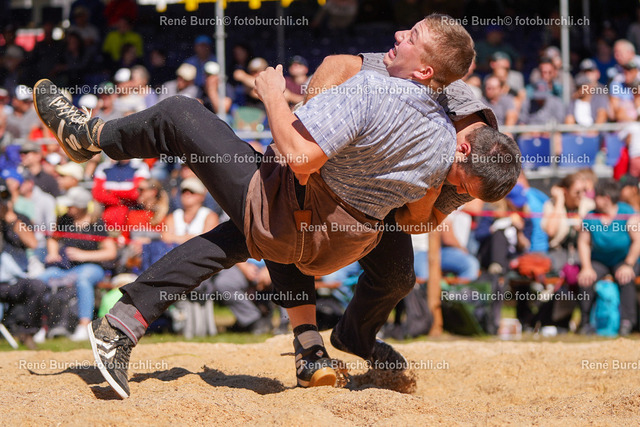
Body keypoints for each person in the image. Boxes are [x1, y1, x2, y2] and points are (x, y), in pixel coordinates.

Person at [33, 15, 520, 398]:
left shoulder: (378, 93)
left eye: (409, 36)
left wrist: (273, 98)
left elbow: (301, 159)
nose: (397, 36)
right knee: (252, 231)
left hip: (294, 212)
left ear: (427, 70)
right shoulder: (445, 144)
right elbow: (415, 213)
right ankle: (304, 347)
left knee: (182, 115)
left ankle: (88, 136)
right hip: (338, 244)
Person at [577, 179, 640, 336]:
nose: (593, 199)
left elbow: (637, 241)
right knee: (586, 279)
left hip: (624, 259)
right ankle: (585, 322)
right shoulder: (590, 216)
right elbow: (583, 243)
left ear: (606, 198)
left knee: (626, 277)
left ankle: (627, 322)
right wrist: (586, 267)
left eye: (596, 196)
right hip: (600, 260)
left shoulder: (627, 213)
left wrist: (628, 264)